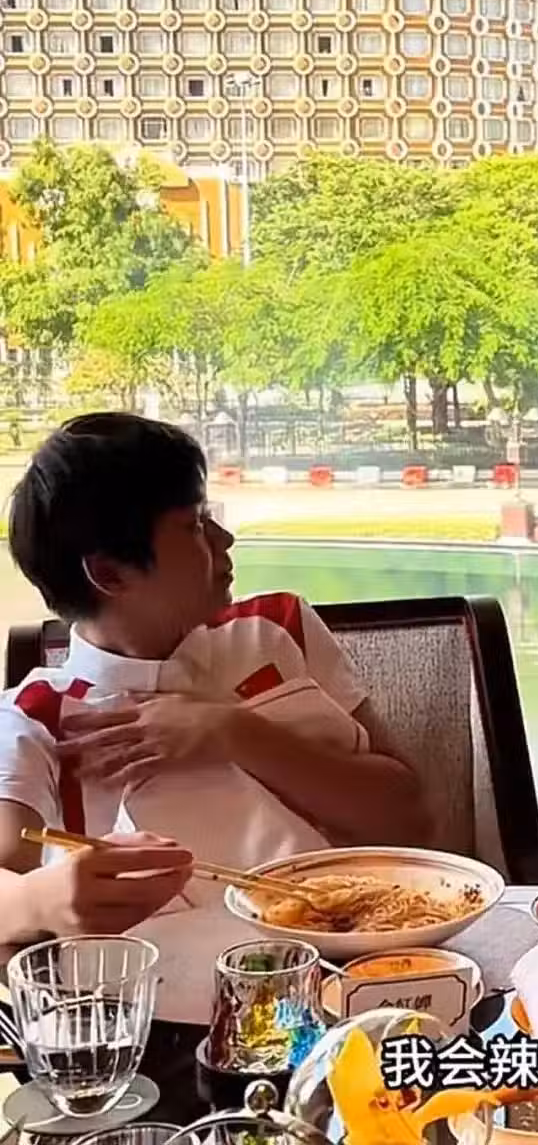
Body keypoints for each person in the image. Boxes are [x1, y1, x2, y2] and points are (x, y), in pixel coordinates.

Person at [0, 412, 430, 1018]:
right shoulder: (38, 717)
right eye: (195, 525)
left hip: (363, 972)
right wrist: (37, 901)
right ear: (110, 572)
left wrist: (231, 731)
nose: (225, 540)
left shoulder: (276, 630)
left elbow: (411, 819)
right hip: (167, 1018)